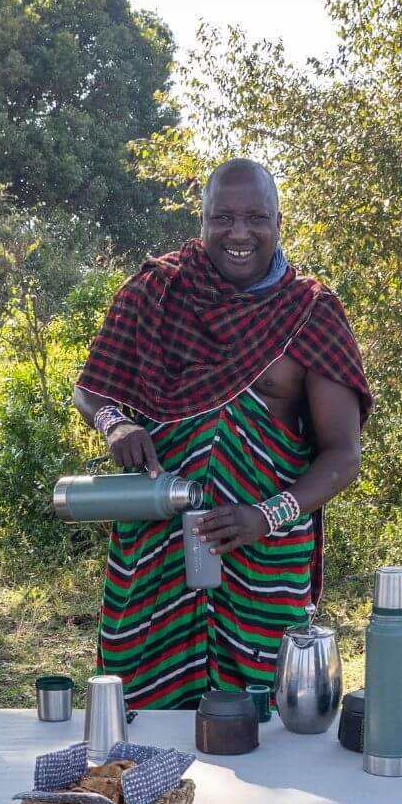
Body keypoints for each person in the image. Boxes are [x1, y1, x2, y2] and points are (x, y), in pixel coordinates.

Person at [72, 158, 371, 709]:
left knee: (268, 737)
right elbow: (92, 388)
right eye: (223, 218)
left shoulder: (310, 313)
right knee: (140, 733)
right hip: (153, 559)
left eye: (255, 217)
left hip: (263, 563)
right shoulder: (154, 293)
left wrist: (267, 516)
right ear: (202, 221)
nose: (239, 233)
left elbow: (342, 456)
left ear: (279, 222)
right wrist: (115, 423)